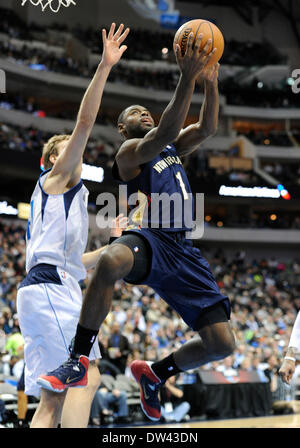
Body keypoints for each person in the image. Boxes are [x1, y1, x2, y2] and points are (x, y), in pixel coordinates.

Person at [38, 32, 236, 422]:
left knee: (221, 344)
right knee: (112, 259)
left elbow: (208, 128)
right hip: (155, 239)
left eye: (147, 110)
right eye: (136, 113)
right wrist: (188, 76)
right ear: (122, 126)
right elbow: (163, 131)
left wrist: (210, 84)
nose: (144, 113)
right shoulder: (129, 153)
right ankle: (78, 357)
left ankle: (155, 374)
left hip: (185, 251)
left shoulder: (171, 148)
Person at [16, 23, 130, 428]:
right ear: (52, 160)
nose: (77, 151)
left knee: (55, 400)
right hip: (48, 289)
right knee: (86, 375)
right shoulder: (54, 180)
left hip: (54, 285)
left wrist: (113, 245)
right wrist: (104, 67)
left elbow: (75, 262)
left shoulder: (71, 194)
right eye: (68, 150)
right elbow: (84, 123)